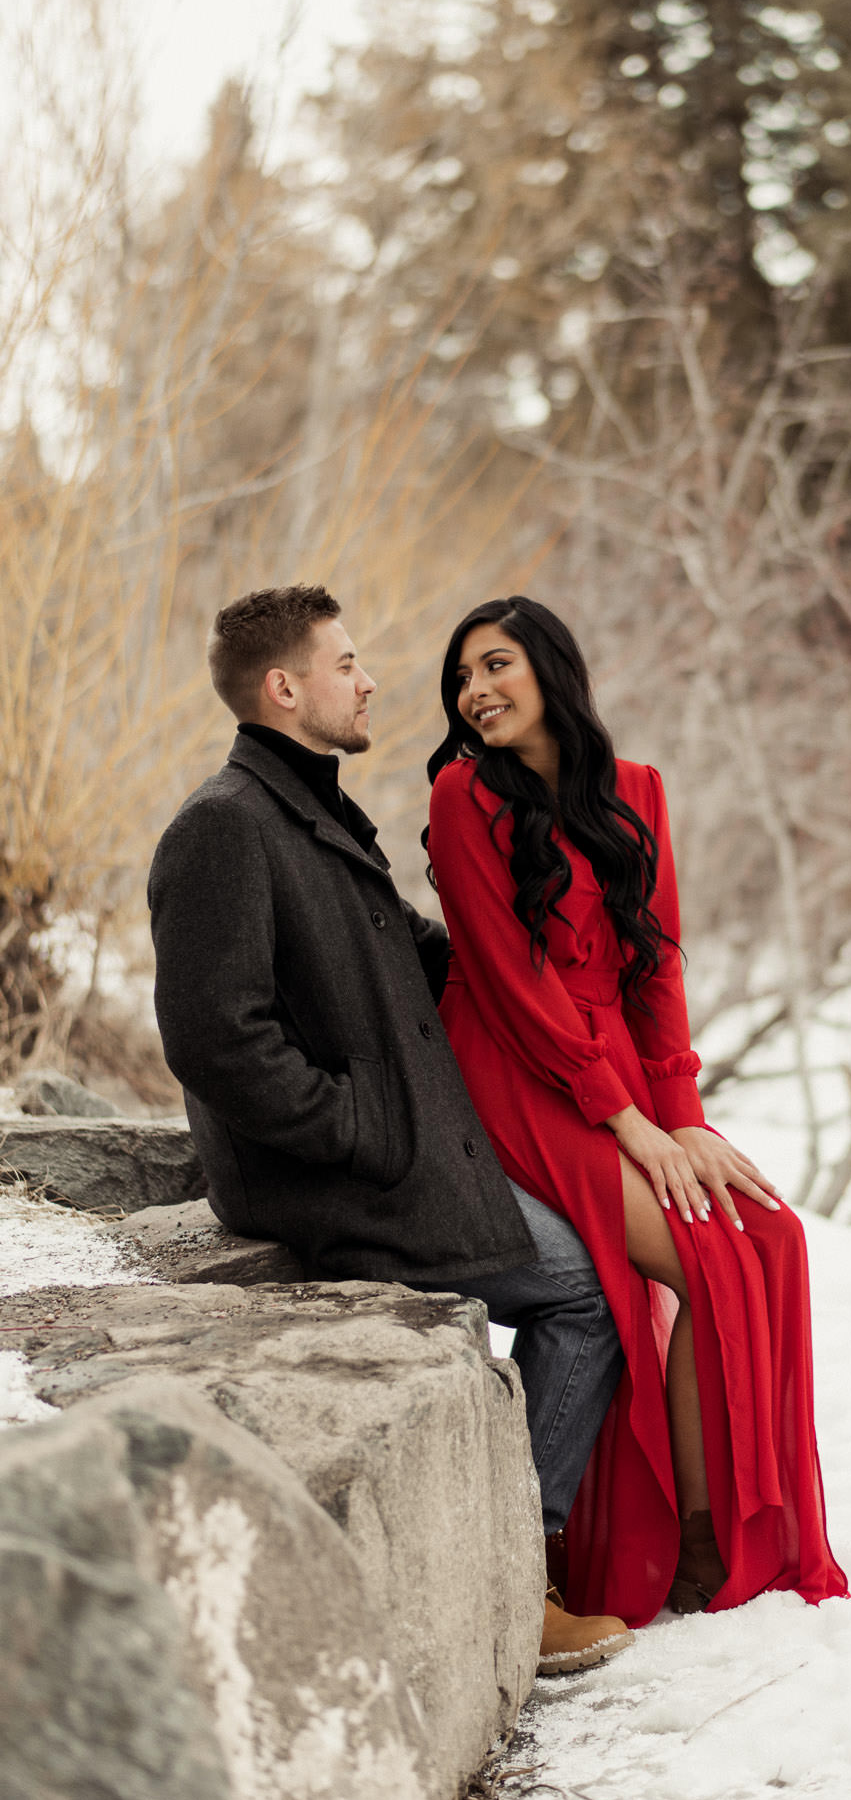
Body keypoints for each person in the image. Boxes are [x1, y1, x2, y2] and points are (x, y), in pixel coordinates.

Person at [148, 583, 634, 1675]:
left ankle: (529, 1556)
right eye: (348, 661)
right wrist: (363, 1130)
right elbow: (216, 1038)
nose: (370, 680)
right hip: (340, 1177)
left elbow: (414, 953)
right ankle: (521, 1576)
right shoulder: (224, 825)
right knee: (583, 1293)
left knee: (589, 1270)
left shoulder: (309, 813)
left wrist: (540, 965)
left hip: (400, 1150)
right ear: (285, 687)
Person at [423, 595, 849, 1628]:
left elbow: (655, 969)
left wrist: (685, 1115)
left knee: (766, 1233)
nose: (475, 692)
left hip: (618, 1075)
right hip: (521, 1070)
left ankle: (716, 1528)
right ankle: (694, 1544)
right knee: (699, 1255)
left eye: (495, 666)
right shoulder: (459, 794)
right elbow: (516, 991)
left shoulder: (639, 793)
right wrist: (628, 1124)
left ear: (551, 670)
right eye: (461, 680)